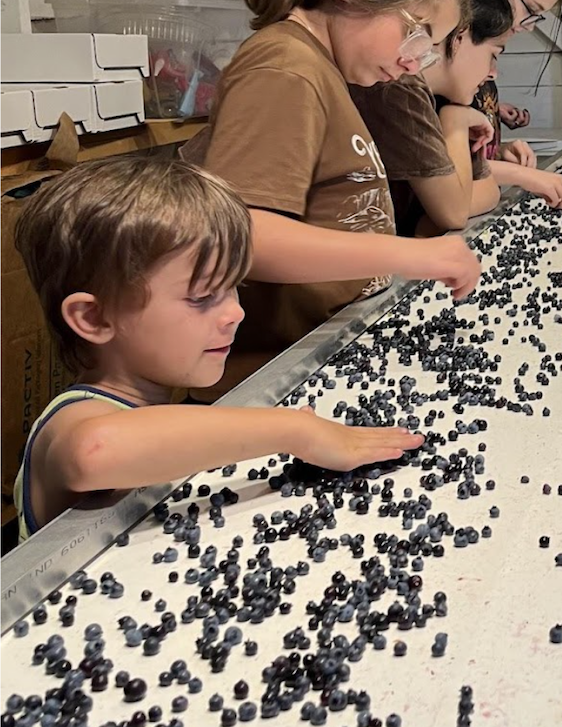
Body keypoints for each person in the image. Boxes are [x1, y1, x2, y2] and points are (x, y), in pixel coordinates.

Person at [11, 157, 423, 542]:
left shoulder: (154, 404)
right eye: (202, 297)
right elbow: (95, 451)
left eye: (234, 288)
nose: (235, 313)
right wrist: (295, 430)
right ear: (95, 319)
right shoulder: (75, 418)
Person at [184, 0, 481, 400]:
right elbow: (243, 235)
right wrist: (415, 254)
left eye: (430, 47)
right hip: (265, 379)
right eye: (417, 30)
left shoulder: (322, 68)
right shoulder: (286, 67)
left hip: (313, 358)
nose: (415, 59)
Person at [353, 0, 562, 236]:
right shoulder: (400, 90)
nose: (493, 73)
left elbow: (483, 192)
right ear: (460, 37)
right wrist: (455, 121)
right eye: (494, 55)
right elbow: (453, 212)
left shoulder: (426, 91)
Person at [465, 0, 562, 174]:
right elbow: (447, 171)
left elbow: (467, 153)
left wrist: (498, 152)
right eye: (531, 9)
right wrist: (526, 177)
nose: (531, 25)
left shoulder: (480, 44)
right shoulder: (459, 47)